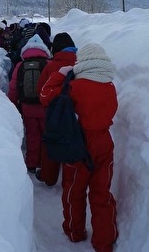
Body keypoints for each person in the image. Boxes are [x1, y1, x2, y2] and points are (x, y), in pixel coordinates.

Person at [40, 43, 118, 252]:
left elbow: (46, 95)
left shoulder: (75, 87)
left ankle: (75, 231)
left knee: (74, 190)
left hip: (77, 143)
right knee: (102, 192)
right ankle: (104, 240)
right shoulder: (110, 86)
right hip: (104, 143)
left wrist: (61, 74)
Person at [34, 32, 77, 186]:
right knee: (72, 144)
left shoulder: (50, 66)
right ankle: (69, 181)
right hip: (74, 114)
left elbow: (40, 89)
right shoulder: (80, 64)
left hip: (52, 113)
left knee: (51, 144)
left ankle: (48, 177)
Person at [7, 34, 51, 173]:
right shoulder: (49, 65)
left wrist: (12, 104)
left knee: (32, 135)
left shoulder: (20, 65)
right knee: (46, 135)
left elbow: (13, 88)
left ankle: (32, 162)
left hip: (27, 107)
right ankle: (47, 163)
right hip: (45, 107)